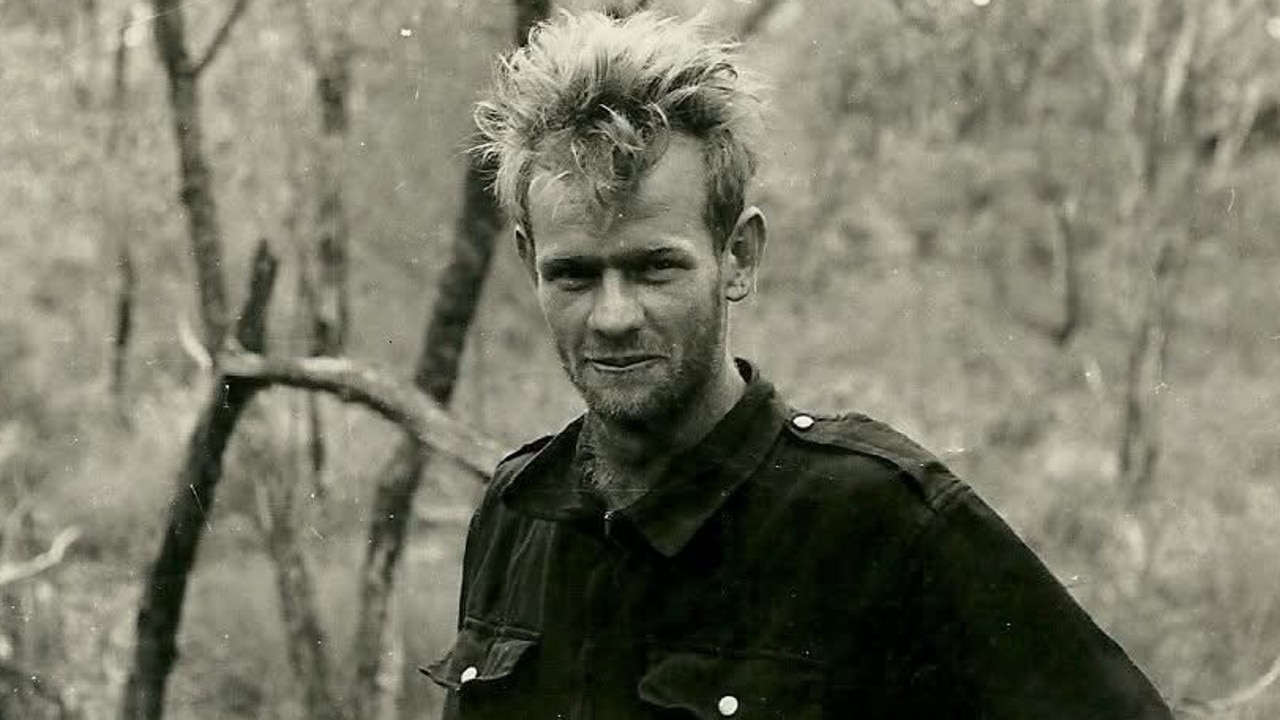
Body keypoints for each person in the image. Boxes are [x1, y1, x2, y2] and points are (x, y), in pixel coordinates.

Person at [425, 10, 1173, 719]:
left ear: (739, 257)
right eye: (575, 276)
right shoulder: (517, 510)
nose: (614, 316)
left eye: (655, 268)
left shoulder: (884, 518)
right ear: (528, 263)